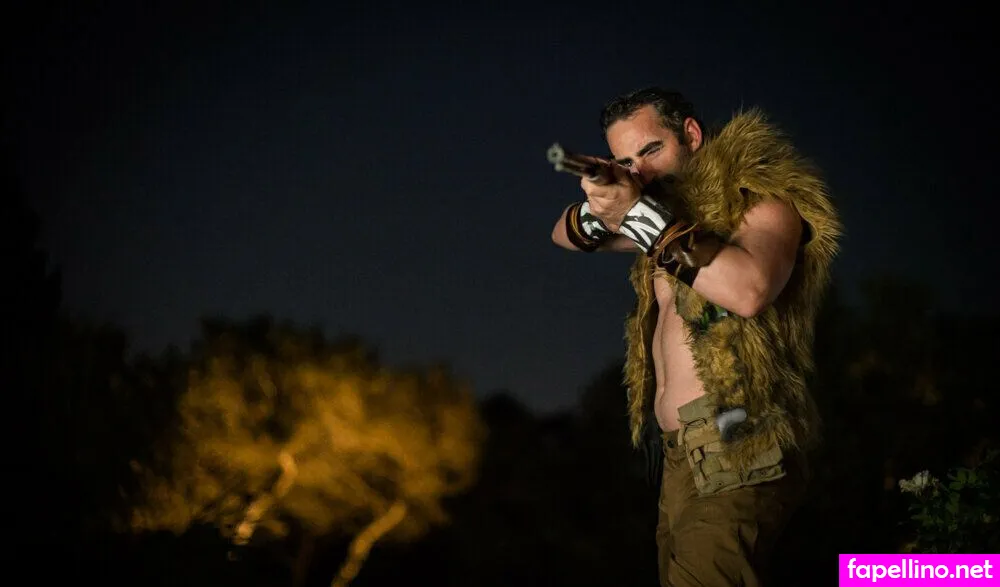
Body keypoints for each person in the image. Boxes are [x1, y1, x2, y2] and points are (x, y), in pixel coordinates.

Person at [551, 87, 841, 586]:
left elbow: (748, 289)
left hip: (737, 438)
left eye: (651, 150)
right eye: (626, 162)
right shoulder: (664, 217)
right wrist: (603, 204)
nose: (641, 171)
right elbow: (562, 236)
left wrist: (634, 212)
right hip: (677, 457)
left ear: (690, 134)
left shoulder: (762, 200)